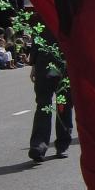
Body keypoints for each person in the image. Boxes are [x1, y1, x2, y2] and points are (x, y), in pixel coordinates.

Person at [27, 29, 73, 162]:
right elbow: (37, 38)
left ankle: (62, 144)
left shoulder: (71, 16)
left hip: (65, 64)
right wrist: (34, 65)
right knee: (43, 105)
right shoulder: (41, 18)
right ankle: (38, 146)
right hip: (44, 64)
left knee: (63, 105)